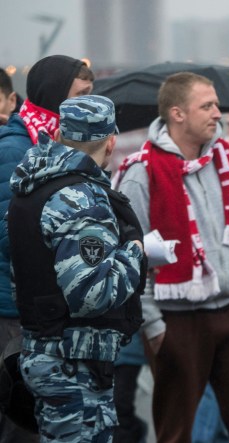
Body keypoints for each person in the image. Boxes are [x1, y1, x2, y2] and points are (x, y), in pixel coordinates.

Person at [114, 72, 229, 442]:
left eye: (216, 104)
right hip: (176, 321)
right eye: (207, 105)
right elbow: (132, 260)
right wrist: (154, 327)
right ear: (177, 113)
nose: (219, 113)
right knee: (175, 432)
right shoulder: (140, 173)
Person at [7, 95, 144, 441]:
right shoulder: (81, 199)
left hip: (44, 350)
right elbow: (92, 295)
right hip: (73, 363)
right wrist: (134, 253)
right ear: (111, 141)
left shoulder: (33, 184)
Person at [0, 54, 93, 442]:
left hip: (46, 307)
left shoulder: (60, 144)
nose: (89, 105)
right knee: (21, 425)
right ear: (55, 97)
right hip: (14, 312)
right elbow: (11, 236)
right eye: (81, 95)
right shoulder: (16, 149)